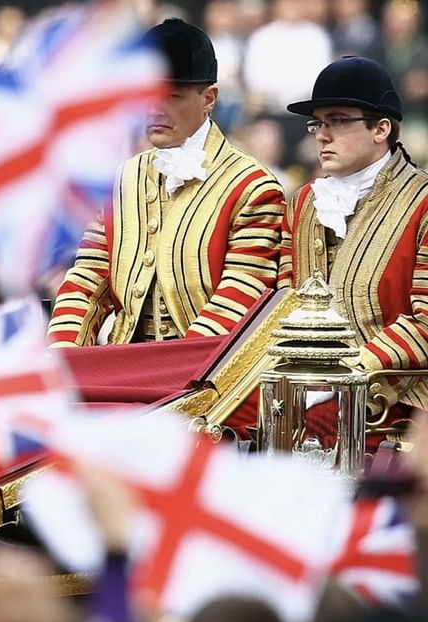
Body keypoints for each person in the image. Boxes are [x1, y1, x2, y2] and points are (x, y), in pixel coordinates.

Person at [47, 18, 286, 346]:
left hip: (210, 378)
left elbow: (240, 301)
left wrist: (174, 379)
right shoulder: (119, 181)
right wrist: (62, 356)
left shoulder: (252, 187)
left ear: (210, 98)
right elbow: (85, 282)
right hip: (126, 368)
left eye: (172, 96)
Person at [279, 56, 428, 414]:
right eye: (318, 124)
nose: (323, 135)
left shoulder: (423, 203)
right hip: (306, 397)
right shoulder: (302, 203)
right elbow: (282, 304)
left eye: (339, 121)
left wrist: (345, 375)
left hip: (401, 409)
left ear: (381, 129)